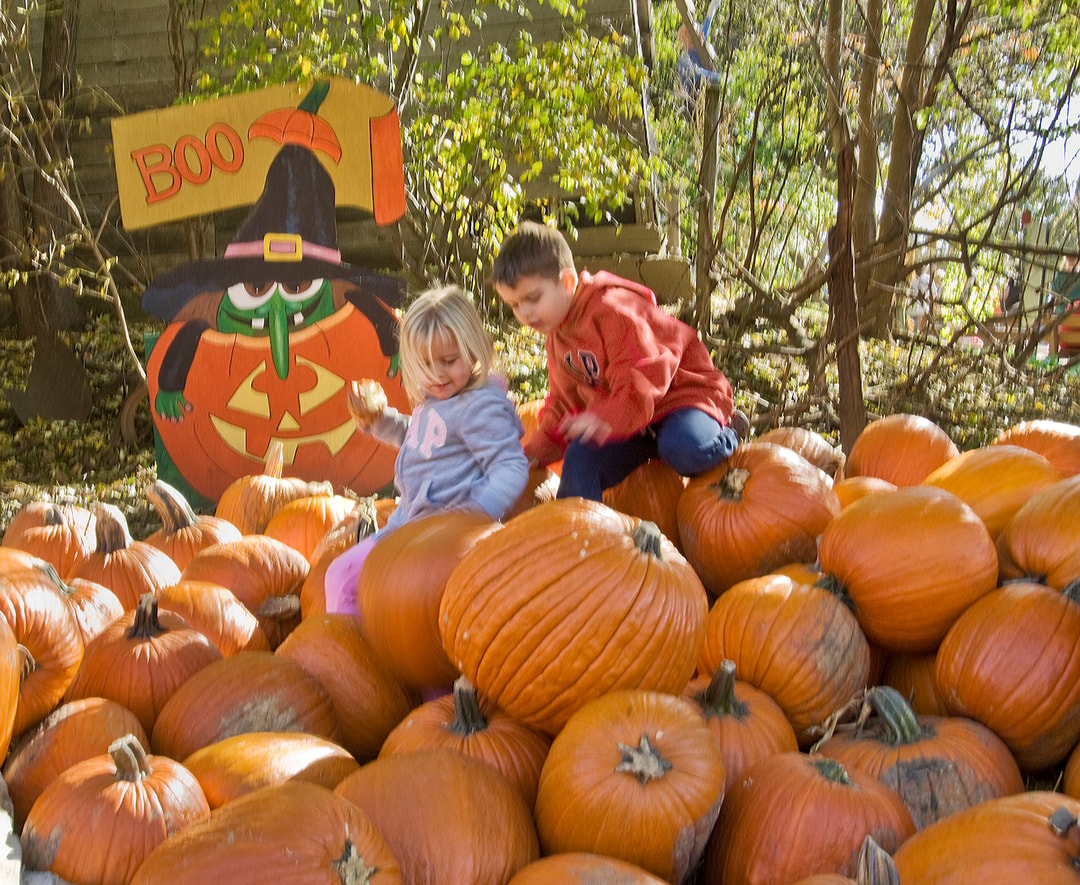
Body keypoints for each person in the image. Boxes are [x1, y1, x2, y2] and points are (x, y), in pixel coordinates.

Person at [491, 220, 748, 502]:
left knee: (684, 448)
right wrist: (535, 452)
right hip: (633, 423)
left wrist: (603, 417)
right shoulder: (558, 338)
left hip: (681, 399)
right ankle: (579, 536)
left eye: (533, 298)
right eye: (514, 304)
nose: (524, 313)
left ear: (566, 282)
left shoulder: (613, 309)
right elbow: (564, 404)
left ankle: (732, 430)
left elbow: (641, 377)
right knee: (580, 458)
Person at [324, 284, 529, 615]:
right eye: (425, 364)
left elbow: (510, 466)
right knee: (342, 577)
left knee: (407, 605)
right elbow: (418, 437)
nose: (437, 374)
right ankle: (353, 655)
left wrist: (475, 514)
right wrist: (377, 419)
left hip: (446, 539)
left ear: (474, 350)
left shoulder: (479, 406)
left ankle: (365, 655)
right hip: (409, 526)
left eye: (449, 361)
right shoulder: (437, 401)